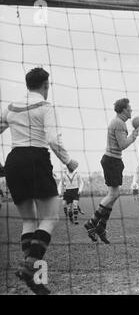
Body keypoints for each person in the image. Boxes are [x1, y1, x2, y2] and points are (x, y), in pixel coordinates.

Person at [0, 67, 78, 294]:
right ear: (46, 85)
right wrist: (69, 161)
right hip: (35, 159)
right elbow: (53, 139)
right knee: (51, 217)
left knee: (29, 221)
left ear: (27, 84)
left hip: (14, 160)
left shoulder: (11, 107)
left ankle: (34, 277)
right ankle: (30, 267)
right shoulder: (45, 107)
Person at [84, 98, 138, 244]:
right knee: (113, 194)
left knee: (114, 195)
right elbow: (122, 145)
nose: (131, 110)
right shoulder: (119, 123)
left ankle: (101, 226)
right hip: (112, 160)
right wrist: (134, 135)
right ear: (124, 110)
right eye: (129, 108)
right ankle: (92, 223)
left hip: (113, 160)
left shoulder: (119, 122)